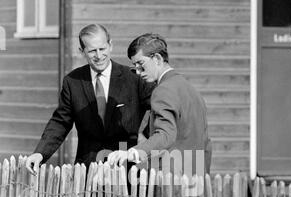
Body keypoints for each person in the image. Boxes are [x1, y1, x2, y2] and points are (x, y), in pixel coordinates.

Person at [25, 24, 154, 175]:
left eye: (102, 49)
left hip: (127, 169)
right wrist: (40, 153)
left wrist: (145, 137)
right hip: (87, 170)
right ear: (82, 51)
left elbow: (158, 108)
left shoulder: (133, 78)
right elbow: (61, 121)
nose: (99, 56)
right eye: (92, 51)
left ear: (110, 45)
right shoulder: (72, 81)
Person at [107, 33, 212, 178]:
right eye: (135, 67)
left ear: (157, 58)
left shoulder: (163, 90)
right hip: (196, 180)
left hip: (171, 183)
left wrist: (133, 152)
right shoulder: (191, 90)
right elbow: (206, 142)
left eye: (141, 65)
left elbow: (165, 134)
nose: (138, 72)